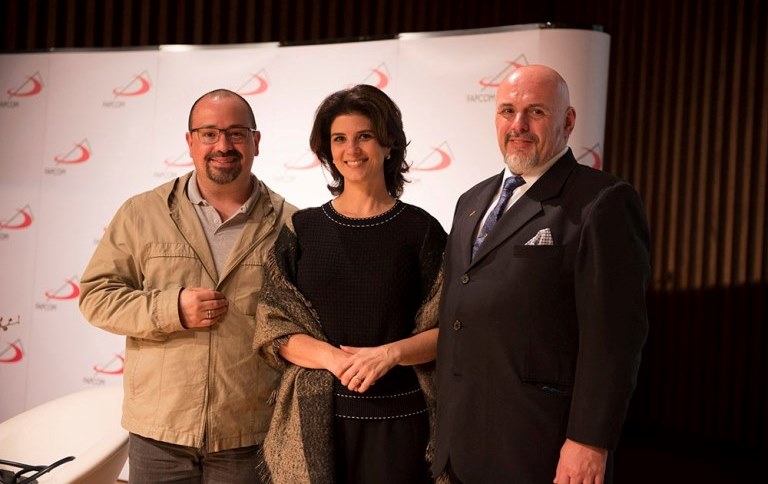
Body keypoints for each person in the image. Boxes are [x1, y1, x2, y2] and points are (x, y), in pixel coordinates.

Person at [432, 65, 650, 483]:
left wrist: (589, 440)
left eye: (536, 112)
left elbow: (615, 339)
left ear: (567, 121)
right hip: (460, 444)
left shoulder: (603, 201)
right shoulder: (470, 201)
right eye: (507, 111)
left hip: (541, 447)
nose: (518, 125)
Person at [79, 89, 296, 483]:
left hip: (250, 434)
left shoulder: (291, 225)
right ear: (190, 141)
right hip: (159, 434)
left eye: (236, 133)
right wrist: (172, 309)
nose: (223, 146)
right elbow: (97, 297)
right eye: (209, 133)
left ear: (256, 141)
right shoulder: (141, 213)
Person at [253, 84, 446, 484]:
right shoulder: (302, 229)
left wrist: (390, 354)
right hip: (313, 425)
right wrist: (335, 359)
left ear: (388, 145)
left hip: (403, 422)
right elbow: (273, 328)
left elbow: (451, 330)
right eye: (339, 139)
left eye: (365, 136)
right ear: (327, 150)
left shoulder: (421, 230)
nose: (351, 149)